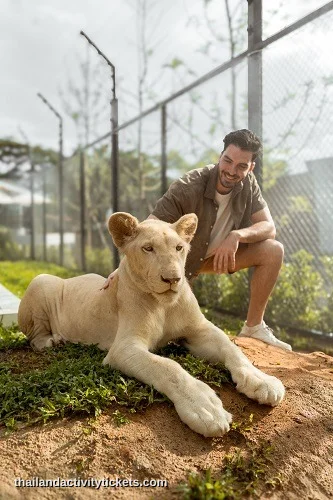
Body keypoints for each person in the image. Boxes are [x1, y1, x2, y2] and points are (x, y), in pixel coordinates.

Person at [104, 129, 291, 351]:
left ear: (251, 167)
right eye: (227, 161)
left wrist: (236, 236)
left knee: (273, 250)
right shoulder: (187, 186)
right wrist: (123, 267)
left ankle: (254, 327)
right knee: (175, 320)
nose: (231, 171)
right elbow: (150, 227)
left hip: (220, 257)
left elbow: (269, 227)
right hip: (186, 261)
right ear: (220, 157)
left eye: (241, 166)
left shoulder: (249, 184)